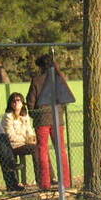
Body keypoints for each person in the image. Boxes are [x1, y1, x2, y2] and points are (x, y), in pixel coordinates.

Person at [26, 55, 73, 190]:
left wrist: (34, 114)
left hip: (41, 119)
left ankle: (45, 183)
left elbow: (30, 101)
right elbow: (64, 100)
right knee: (61, 151)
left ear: (40, 66)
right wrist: (60, 112)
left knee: (42, 151)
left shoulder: (36, 80)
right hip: (58, 119)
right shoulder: (59, 79)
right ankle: (66, 182)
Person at [3, 92, 39, 186]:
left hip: (24, 144)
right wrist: (25, 140)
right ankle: (15, 183)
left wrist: (32, 138)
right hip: (12, 146)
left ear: (22, 103)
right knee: (34, 148)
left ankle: (40, 179)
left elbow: (29, 130)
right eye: (13, 101)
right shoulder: (8, 116)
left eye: (18, 100)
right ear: (10, 104)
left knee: (37, 147)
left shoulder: (25, 115)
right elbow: (10, 136)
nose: (16, 103)